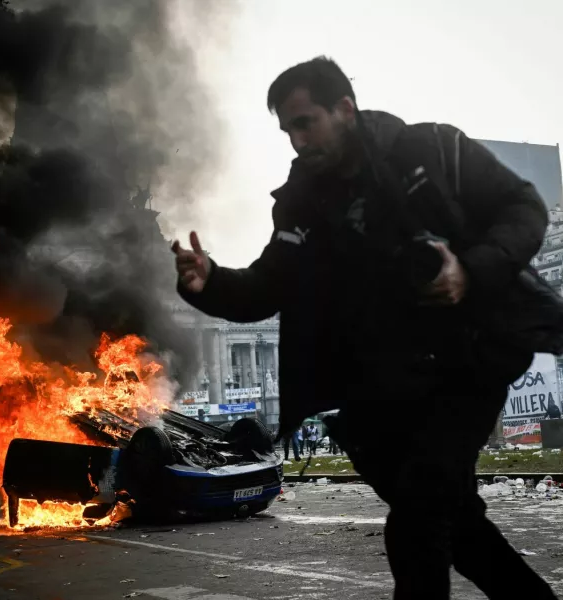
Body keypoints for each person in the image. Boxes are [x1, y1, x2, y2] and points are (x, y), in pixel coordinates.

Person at [172, 56, 557, 599]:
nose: (297, 141)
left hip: (467, 357)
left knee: (421, 517)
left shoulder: (429, 150)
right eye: (287, 130)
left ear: (345, 109)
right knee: (455, 523)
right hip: (380, 384)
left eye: (306, 123)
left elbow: (524, 207)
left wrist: (470, 270)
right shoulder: (302, 203)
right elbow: (266, 286)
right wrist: (210, 281)